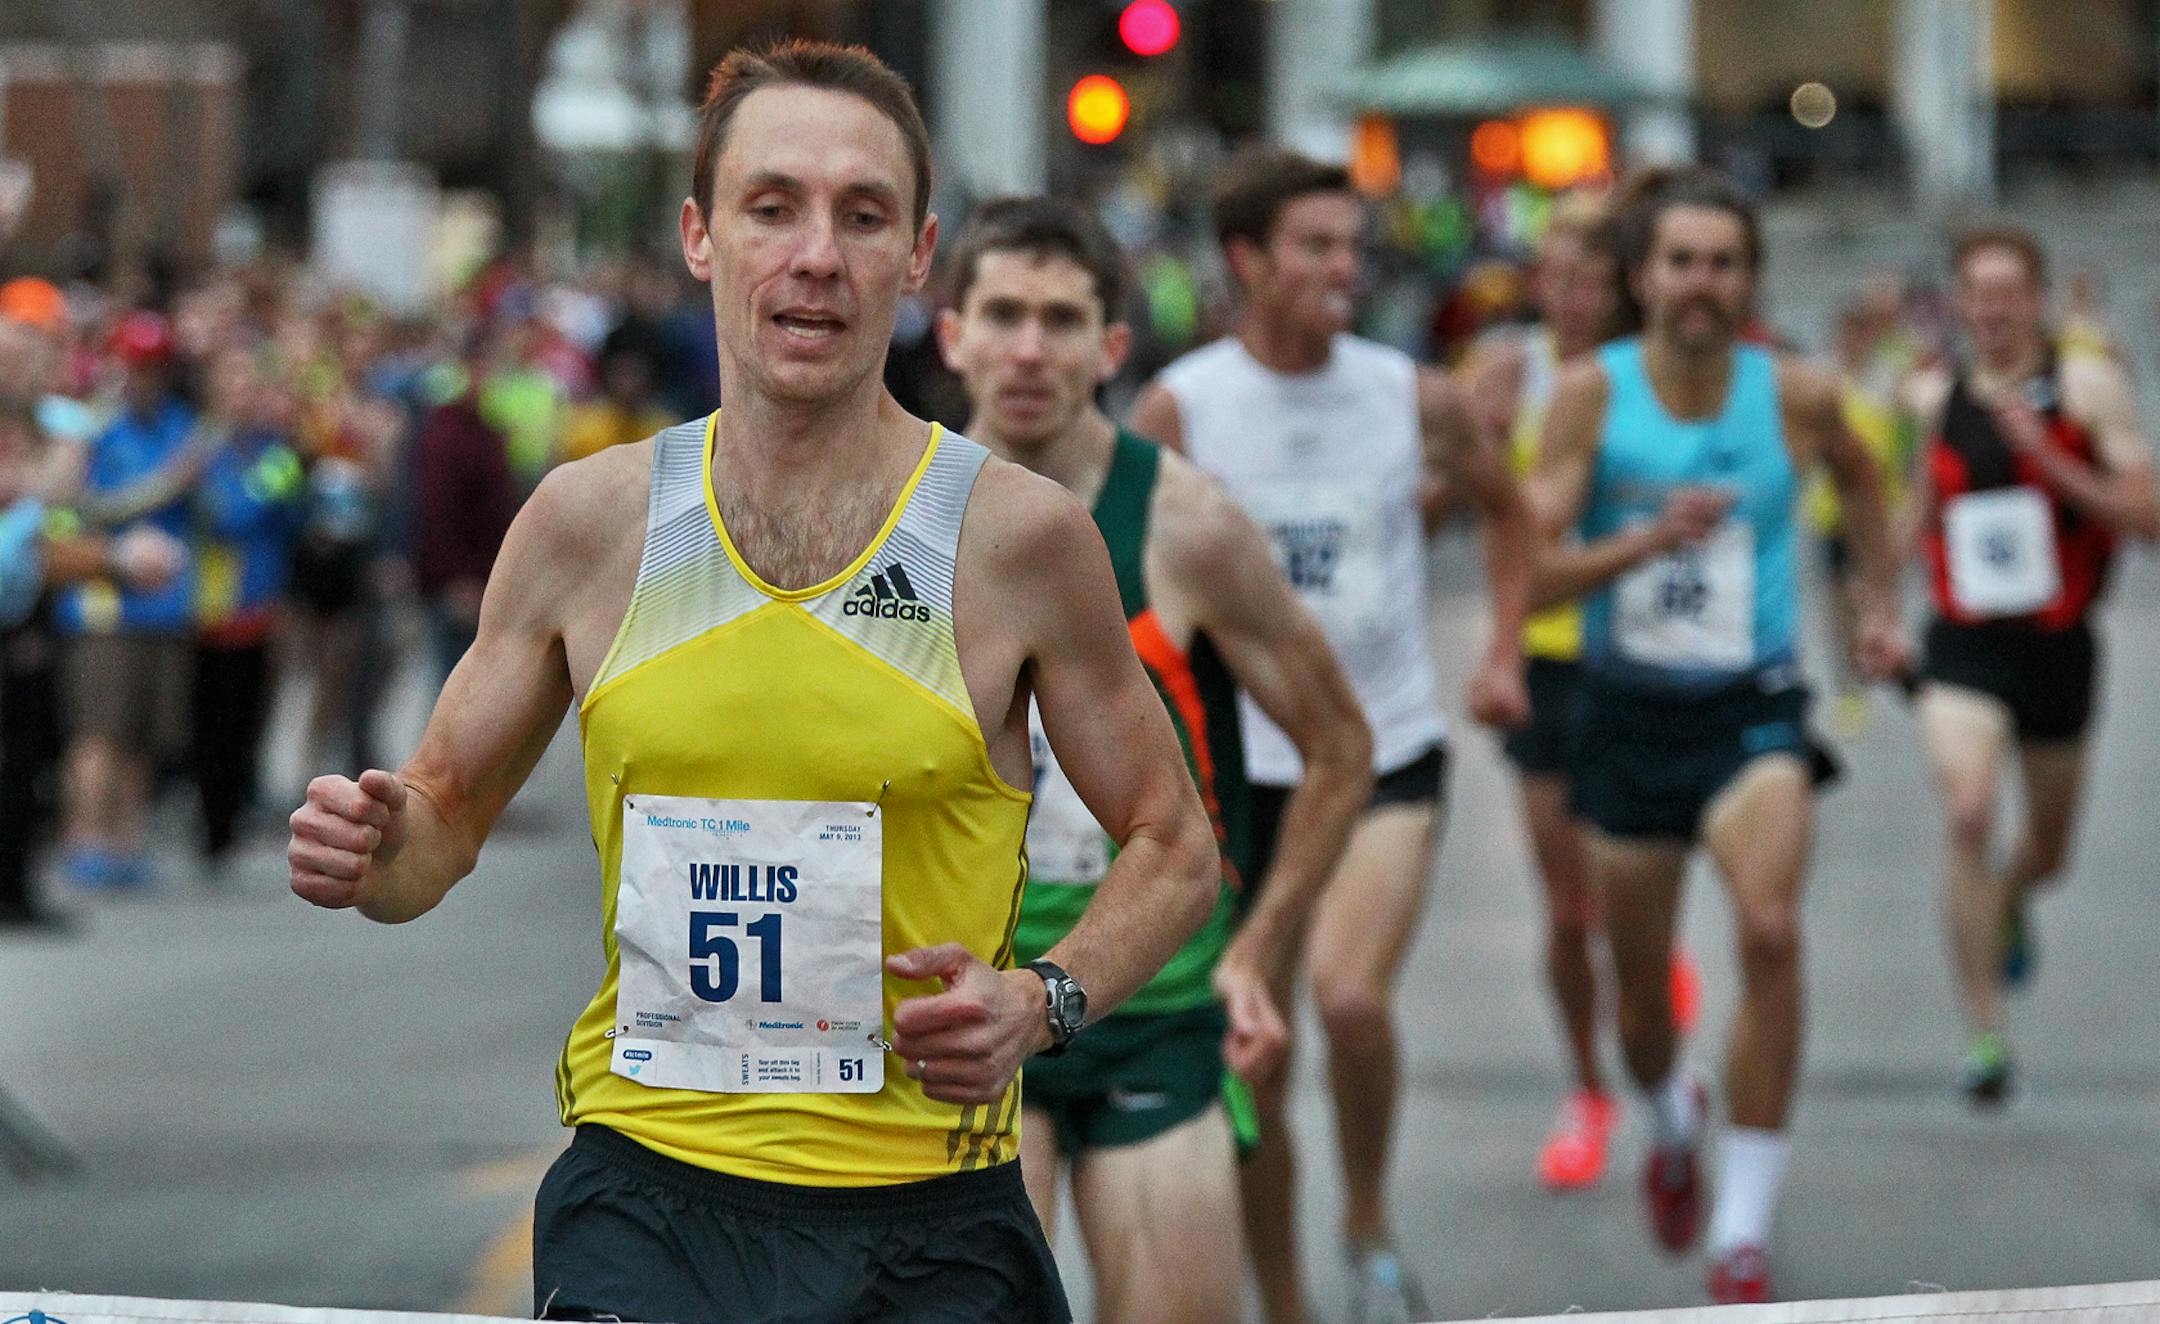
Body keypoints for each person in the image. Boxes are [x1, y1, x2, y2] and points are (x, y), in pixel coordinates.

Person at [287, 40, 1220, 1324]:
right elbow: (435, 833)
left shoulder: (1019, 540)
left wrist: (1043, 1000)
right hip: (645, 1197)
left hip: (925, 1216)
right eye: (771, 207)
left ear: (917, 258)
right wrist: (373, 846)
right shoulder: (588, 524)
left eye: (862, 215)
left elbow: (1175, 845)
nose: (817, 256)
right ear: (700, 237)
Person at [937, 195, 1374, 1324]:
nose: (1029, 348)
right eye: (1002, 315)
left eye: (1061, 318)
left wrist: (1258, 953)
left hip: (1155, 1004)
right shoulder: (892, 521)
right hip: (967, 1011)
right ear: (952, 333)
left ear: (1112, 345)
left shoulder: (1186, 524)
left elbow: (1339, 746)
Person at [1130, 145, 1535, 1324]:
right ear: (1247, 261)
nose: (1342, 267)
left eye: (1352, 246)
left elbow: (1509, 516)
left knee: (1351, 998)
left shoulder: (1410, 393)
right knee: (1256, 1051)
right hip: (1236, 774)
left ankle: (1365, 1215)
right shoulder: (1185, 406)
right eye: (1314, 246)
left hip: (1383, 749)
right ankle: (1291, 1300)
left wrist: (1503, 648)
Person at [1527, 166, 1906, 1304]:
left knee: (1772, 927)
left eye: (1723, 263)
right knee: (1641, 1004)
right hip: (1628, 712)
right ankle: (1669, 1107)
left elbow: (1865, 484)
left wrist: (1878, 606)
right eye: (1681, 262)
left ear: (1750, 278)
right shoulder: (1592, 395)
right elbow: (1535, 562)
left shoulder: (1796, 391)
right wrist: (1642, 544)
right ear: (1642, 277)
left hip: (1755, 704)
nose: (1701, 284)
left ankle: (1741, 1229)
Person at [1460, 194, 1699, 1192]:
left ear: (1624, 287)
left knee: (1624, 897)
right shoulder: (1508, 371)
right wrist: (1504, 649)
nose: (1566, 294)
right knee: (1568, 915)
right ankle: (1591, 1085)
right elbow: (1488, 525)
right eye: (1552, 273)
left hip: (1639, 652)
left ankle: (1656, 1022)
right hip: (1549, 658)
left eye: (1589, 277)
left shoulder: (1645, 381)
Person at [1900, 223, 2157, 1105]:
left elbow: (2147, 515)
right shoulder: (1935, 394)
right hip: (1964, 642)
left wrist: (2051, 462)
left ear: (2039, 299)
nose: (1996, 311)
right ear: (1960, 304)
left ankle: (2011, 895)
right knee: (1968, 808)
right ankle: (1984, 1032)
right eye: (1980, 294)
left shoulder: (2086, 387)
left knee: (2048, 851)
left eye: (2012, 293)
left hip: (2058, 646)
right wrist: (1875, 614)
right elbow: (1917, 511)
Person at [55, 311, 203, 890]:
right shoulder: (94, 430)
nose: (148, 378)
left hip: (166, 606)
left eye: (157, 367)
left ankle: (125, 841)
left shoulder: (182, 425)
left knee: (145, 733)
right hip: (104, 608)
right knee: (99, 730)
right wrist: (165, 485)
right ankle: (84, 838)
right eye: (139, 366)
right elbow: (80, 510)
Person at [190, 347, 305, 871]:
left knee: (247, 718)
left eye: (247, 388)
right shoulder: (200, 448)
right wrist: (264, 494)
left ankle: (234, 819)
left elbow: (295, 519)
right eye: (230, 387)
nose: (240, 398)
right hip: (208, 608)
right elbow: (224, 516)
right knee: (209, 721)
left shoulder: (272, 449)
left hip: (259, 605)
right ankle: (212, 826)